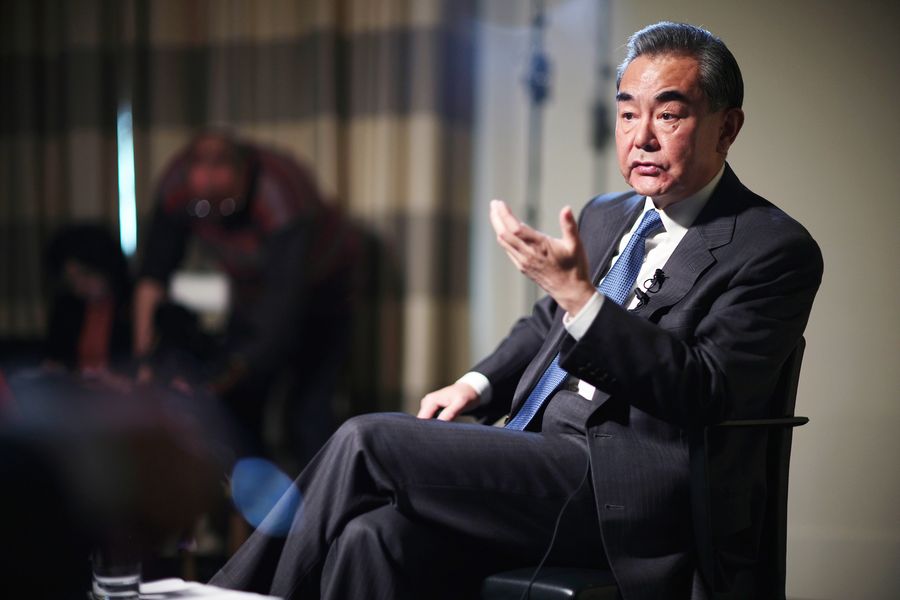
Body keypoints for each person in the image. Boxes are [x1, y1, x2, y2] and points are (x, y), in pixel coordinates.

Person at [209, 22, 823, 600]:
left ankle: (231, 595)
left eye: (668, 114)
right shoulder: (606, 214)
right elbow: (545, 325)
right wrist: (476, 384)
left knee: (365, 440)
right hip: (536, 456)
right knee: (372, 537)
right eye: (627, 113)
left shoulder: (772, 249)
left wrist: (581, 298)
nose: (641, 137)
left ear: (727, 127)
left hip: (629, 491)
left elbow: (707, 390)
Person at [134, 131, 360, 467]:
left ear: (245, 178)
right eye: (201, 208)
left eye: (225, 206)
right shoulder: (176, 186)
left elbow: (281, 306)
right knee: (239, 414)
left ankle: (323, 498)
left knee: (306, 414)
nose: (213, 219)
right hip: (252, 293)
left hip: (322, 293)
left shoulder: (281, 194)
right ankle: (253, 497)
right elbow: (153, 276)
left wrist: (230, 373)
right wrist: (145, 360)